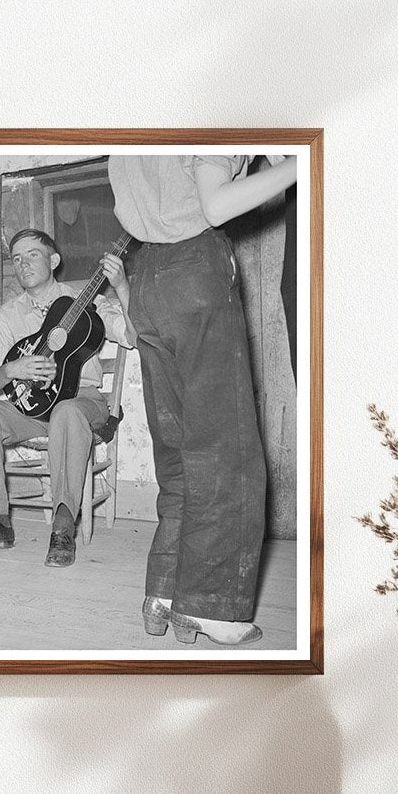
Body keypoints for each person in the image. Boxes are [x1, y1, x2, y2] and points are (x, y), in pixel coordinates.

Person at [107, 153, 297, 645]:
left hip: (144, 277)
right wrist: (306, 163)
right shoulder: (215, 108)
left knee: (178, 453)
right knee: (225, 452)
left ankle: (164, 594)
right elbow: (216, 206)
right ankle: (214, 608)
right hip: (194, 269)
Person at [0, 229, 135, 568]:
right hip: (35, 408)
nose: (23, 263)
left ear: (54, 260)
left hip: (81, 401)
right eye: (16, 258)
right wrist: (13, 369)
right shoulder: (8, 315)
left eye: (32, 255)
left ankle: (63, 524)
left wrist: (123, 288)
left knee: (67, 413)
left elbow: (131, 337)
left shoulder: (88, 301)